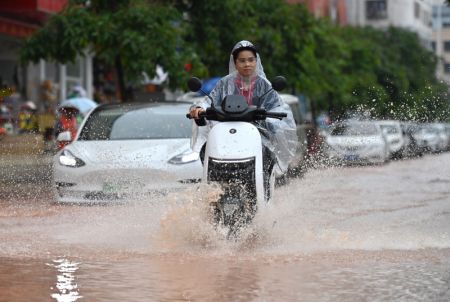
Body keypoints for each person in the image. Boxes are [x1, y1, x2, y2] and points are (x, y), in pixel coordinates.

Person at [188, 40, 298, 195]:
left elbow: (278, 107)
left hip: (258, 135)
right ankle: (213, 192)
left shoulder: (265, 85)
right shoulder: (224, 83)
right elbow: (209, 101)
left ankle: (264, 195)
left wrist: (270, 120)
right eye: (242, 60)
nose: (247, 64)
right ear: (235, 62)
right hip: (226, 134)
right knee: (206, 149)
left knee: (266, 155)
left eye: (251, 60)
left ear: (256, 61)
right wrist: (199, 109)